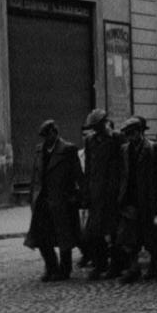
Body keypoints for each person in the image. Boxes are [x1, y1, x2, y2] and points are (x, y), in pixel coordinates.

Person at [24, 120, 82, 282]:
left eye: (48, 135)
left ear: (54, 133)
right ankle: (51, 267)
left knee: (65, 237)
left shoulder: (68, 150)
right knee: (42, 237)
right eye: (43, 136)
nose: (45, 139)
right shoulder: (39, 151)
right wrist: (32, 198)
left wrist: (78, 196)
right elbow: (34, 177)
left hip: (62, 199)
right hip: (42, 201)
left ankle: (65, 269)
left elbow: (77, 174)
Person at [116, 117, 157, 283]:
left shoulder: (154, 148)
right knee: (129, 236)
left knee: (150, 234)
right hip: (130, 198)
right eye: (127, 134)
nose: (130, 137)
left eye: (133, 133)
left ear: (140, 132)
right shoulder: (124, 149)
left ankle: (154, 265)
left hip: (148, 198)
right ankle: (134, 268)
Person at [81, 109, 124, 280]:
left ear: (104, 123)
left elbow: (123, 166)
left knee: (114, 232)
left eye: (98, 126)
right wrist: (86, 192)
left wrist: (121, 190)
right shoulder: (90, 141)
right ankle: (100, 264)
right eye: (93, 127)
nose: (96, 130)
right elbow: (89, 168)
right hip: (96, 193)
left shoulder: (117, 139)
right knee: (94, 233)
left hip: (112, 193)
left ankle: (117, 265)